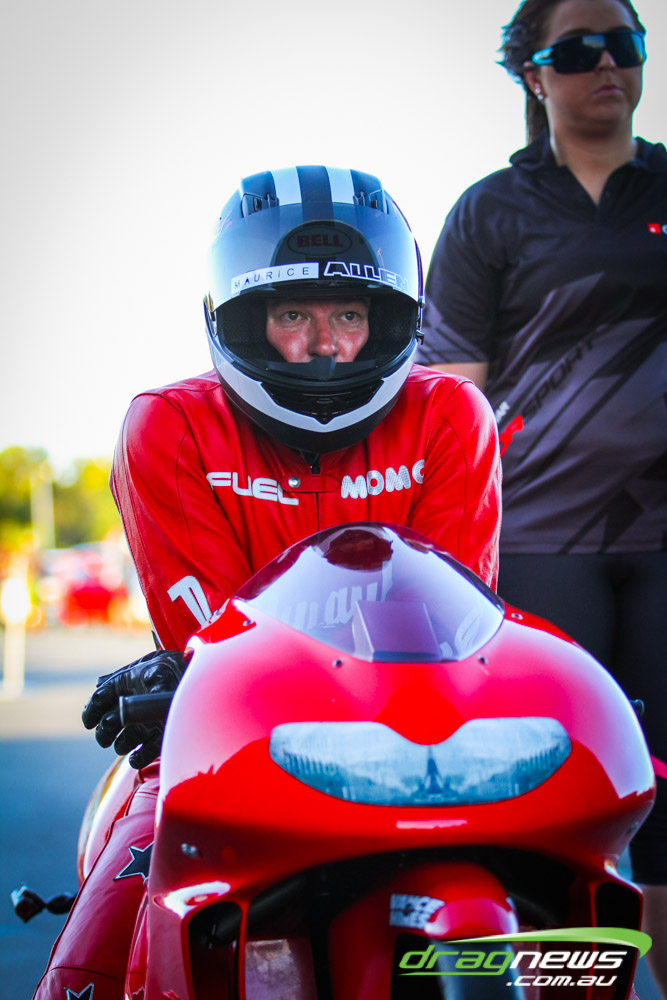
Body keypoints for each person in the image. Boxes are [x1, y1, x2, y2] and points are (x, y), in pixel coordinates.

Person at [33, 166, 501, 998]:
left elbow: (454, 631)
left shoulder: (449, 414)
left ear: (389, 318)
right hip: (224, 744)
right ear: (245, 319)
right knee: (94, 955)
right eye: (293, 316)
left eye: (348, 315)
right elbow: (214, 650)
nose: (323, 344)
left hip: (421, 740)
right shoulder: (168, 424)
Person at [416, 0, 667, 993]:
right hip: (537, 548)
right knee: (555, 810)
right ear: (533, 74)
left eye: (625, 44)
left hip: (665, 548)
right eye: (577, 50)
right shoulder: (489, 212)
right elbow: (450, 401)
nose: (606, 64)